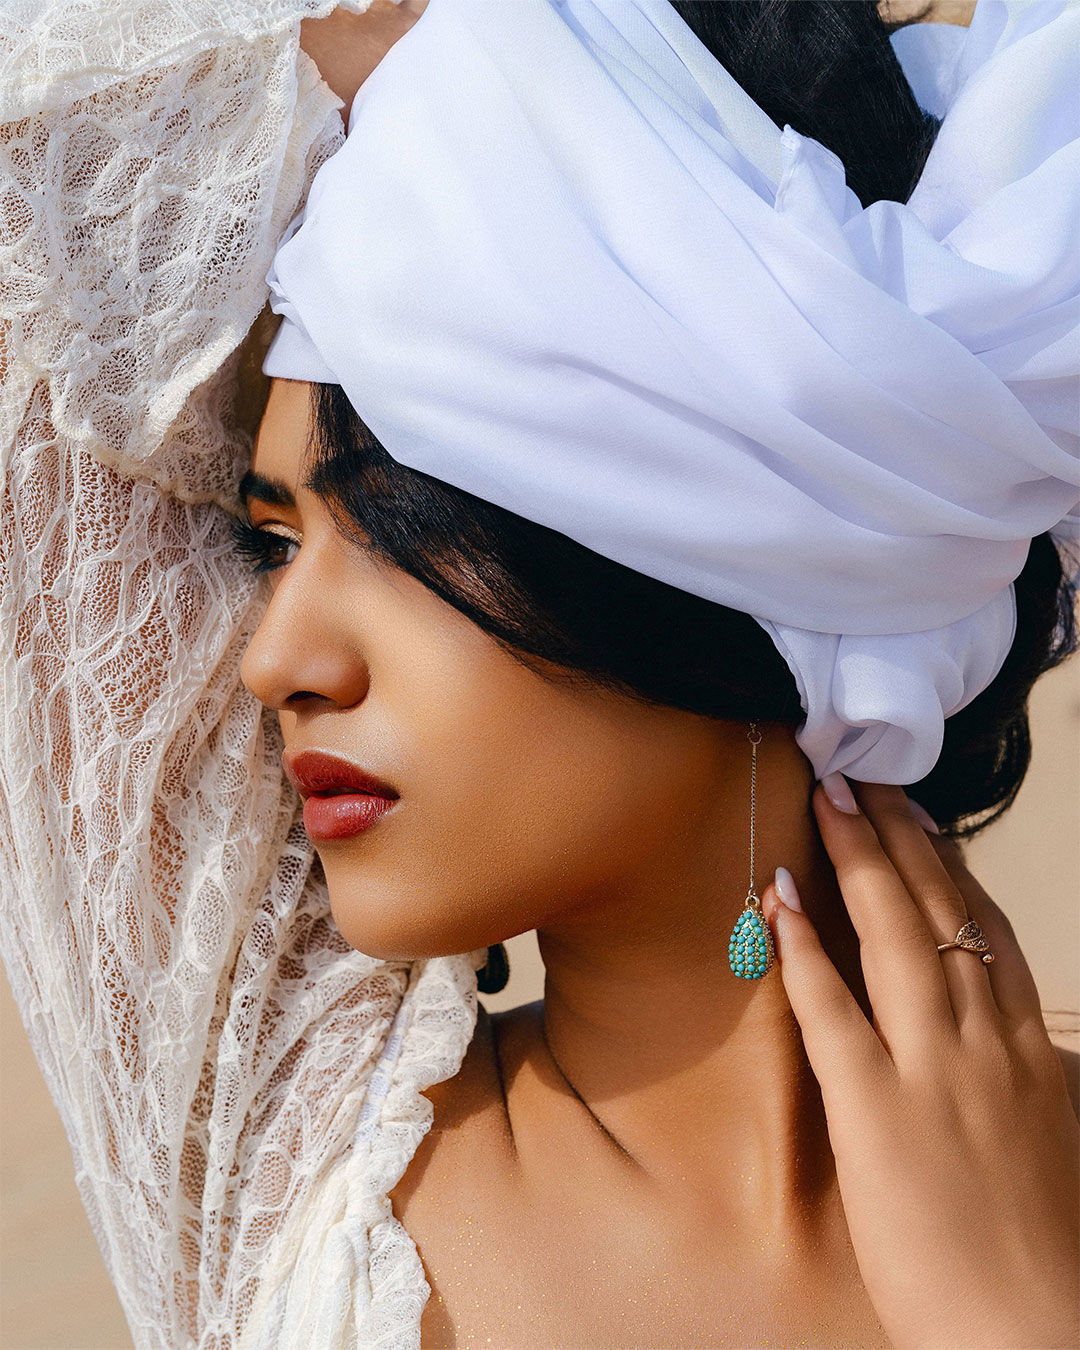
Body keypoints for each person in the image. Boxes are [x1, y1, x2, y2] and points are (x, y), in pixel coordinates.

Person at [0, 2, 1077, 1349]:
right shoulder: (282, 1144)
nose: (273, 658)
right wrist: (514, 56)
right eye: (273, 543)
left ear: (722, 559)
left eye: (388, 533)